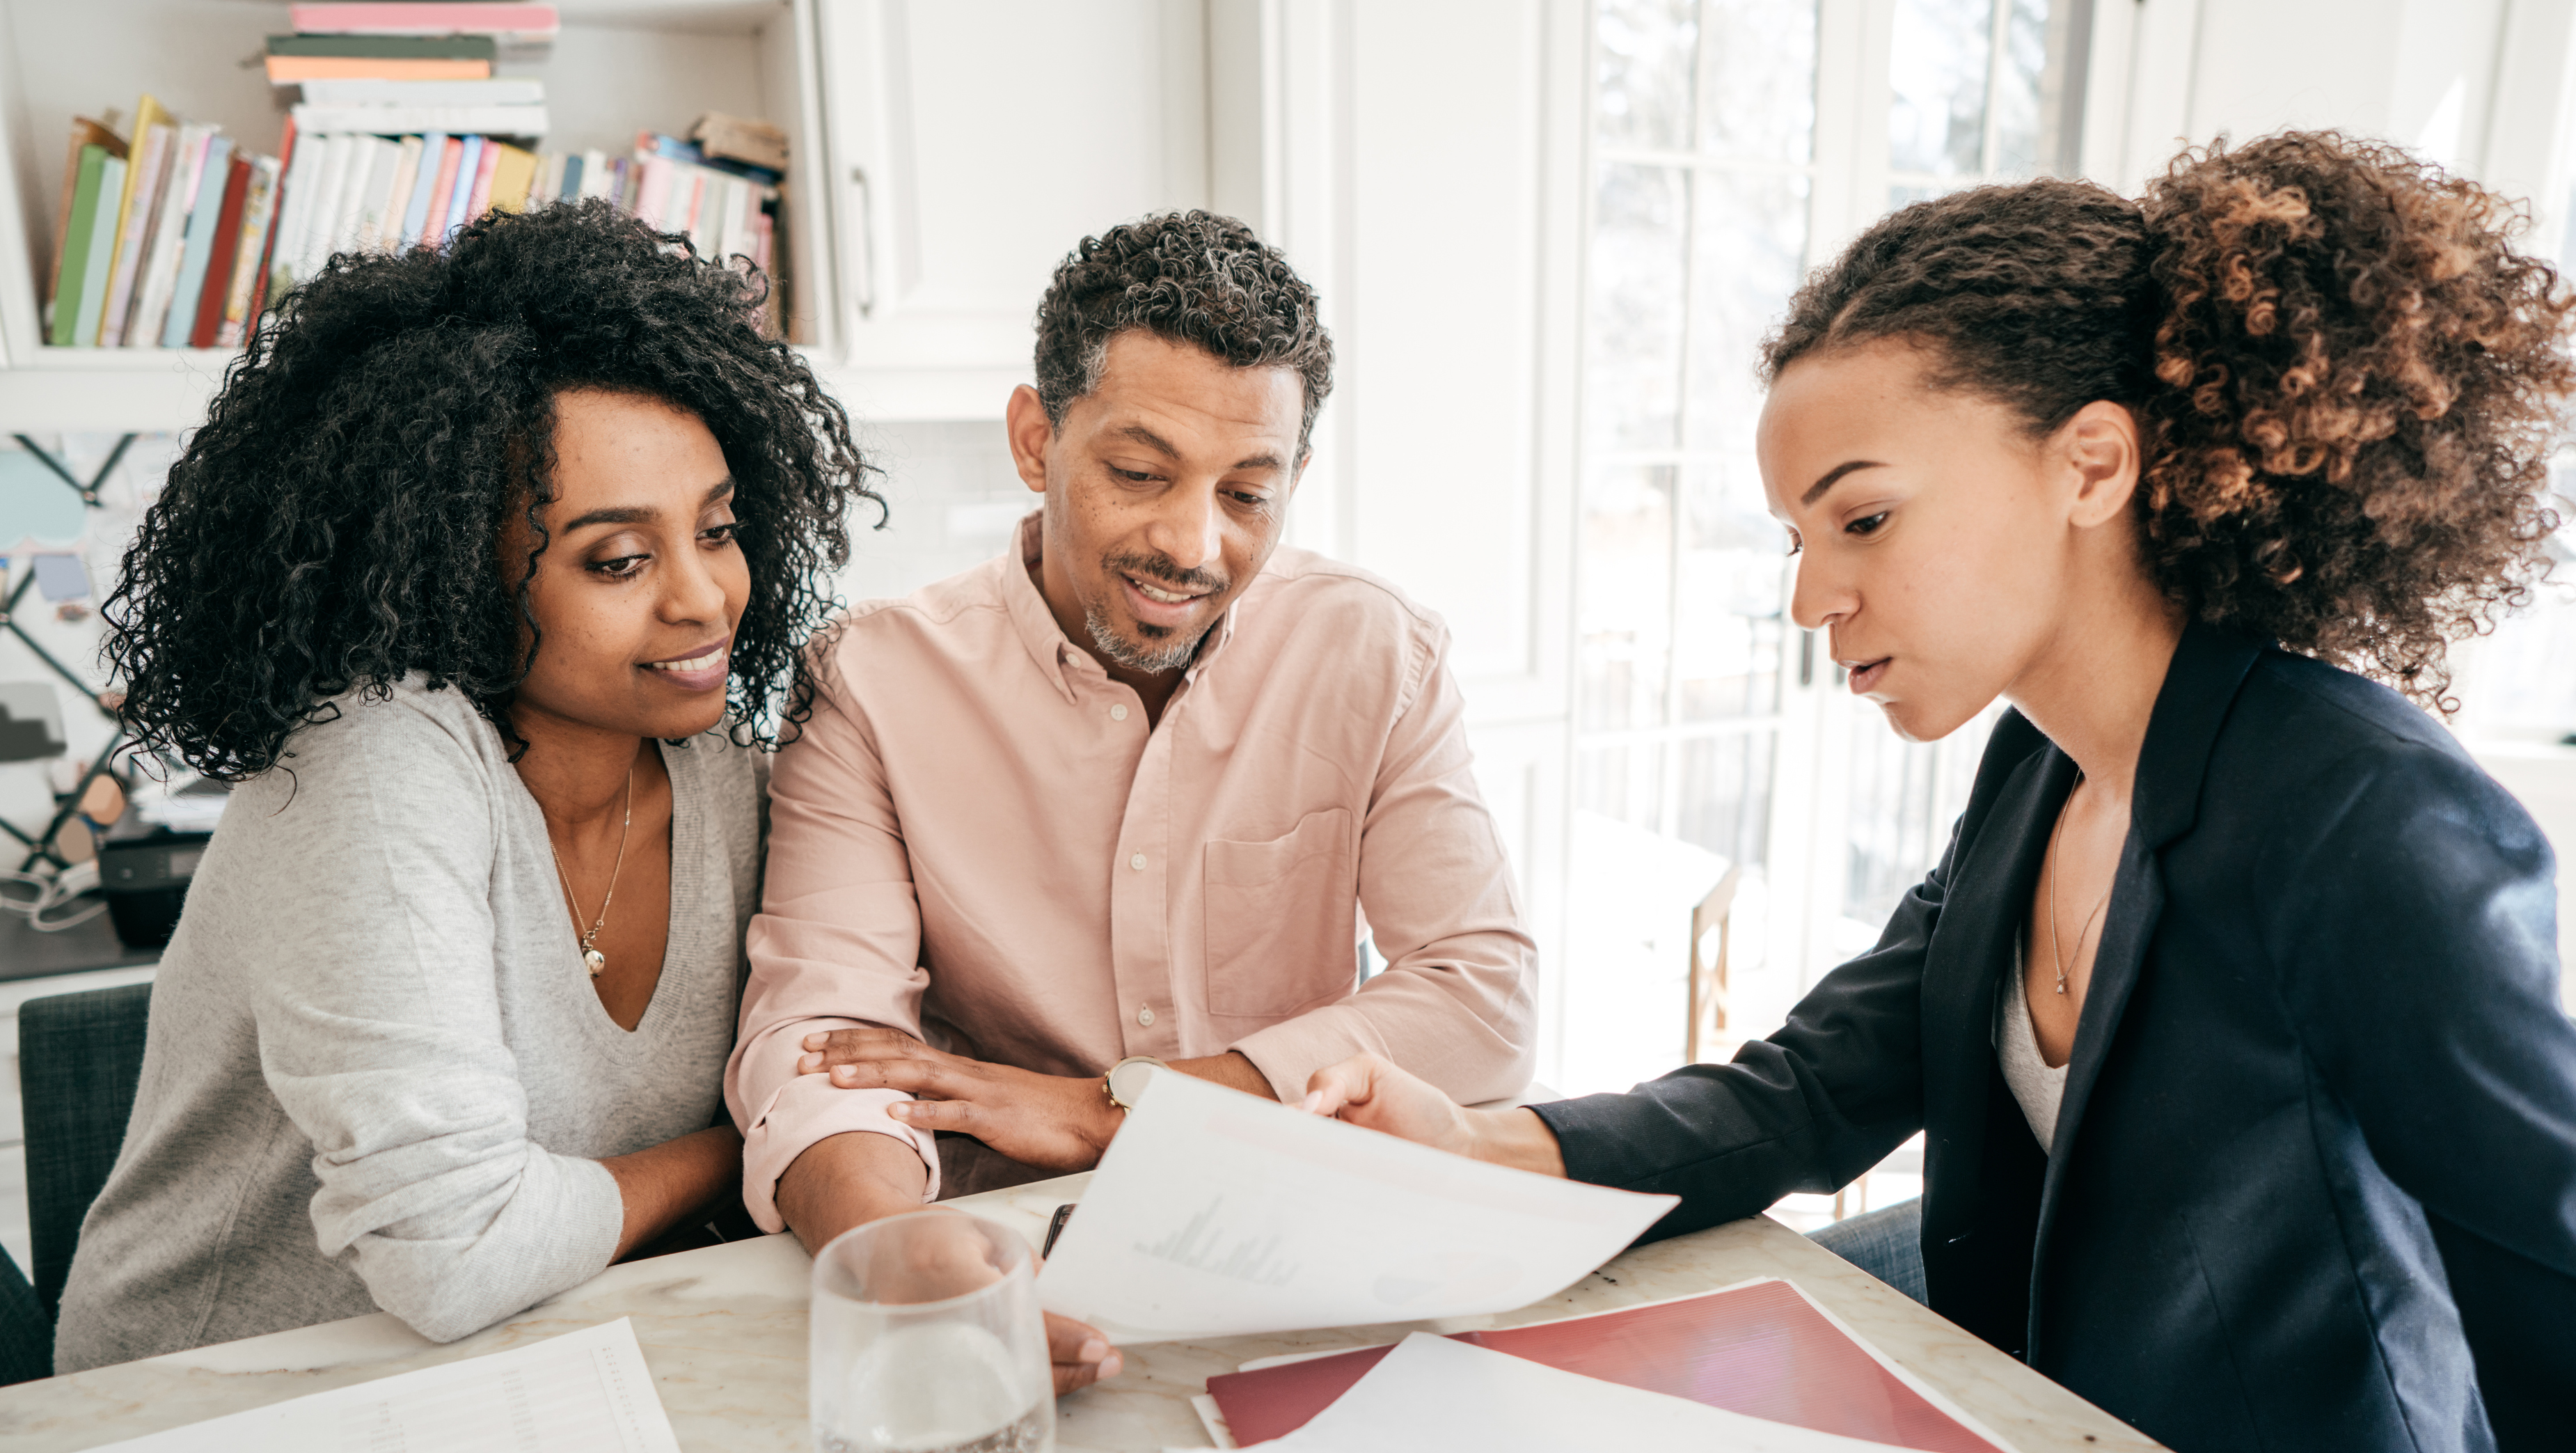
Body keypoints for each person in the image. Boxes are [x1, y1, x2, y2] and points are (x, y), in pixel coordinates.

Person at [1299, 133, 2576, 1453]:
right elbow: (1817, 1084)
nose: (1813, 595)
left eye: (1863, 516)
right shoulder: (2039, 763)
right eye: (1798, 538)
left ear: (2092, 462)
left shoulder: (2368, 824)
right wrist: (1478, 1142)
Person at [54, 203, 869, 1373]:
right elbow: (460, 1251)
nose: (704, 600)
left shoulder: (723, 771)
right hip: (215, 1400)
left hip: (531, 1362)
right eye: (619, 560)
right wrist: (750, 1140)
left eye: (719, 528)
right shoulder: (377, 767)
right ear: (454, 573)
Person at [725, 212, 1536, 1289]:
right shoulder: (869, 680)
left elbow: (1483, 998)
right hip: (1006, 1242)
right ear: (1033, 439)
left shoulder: (1375, 651)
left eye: (1248, 493)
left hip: (1302, 1226)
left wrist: (1119, 1108)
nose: (1194, 547)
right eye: (1142, 474)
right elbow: (823, 1045)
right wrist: (907, 1265)